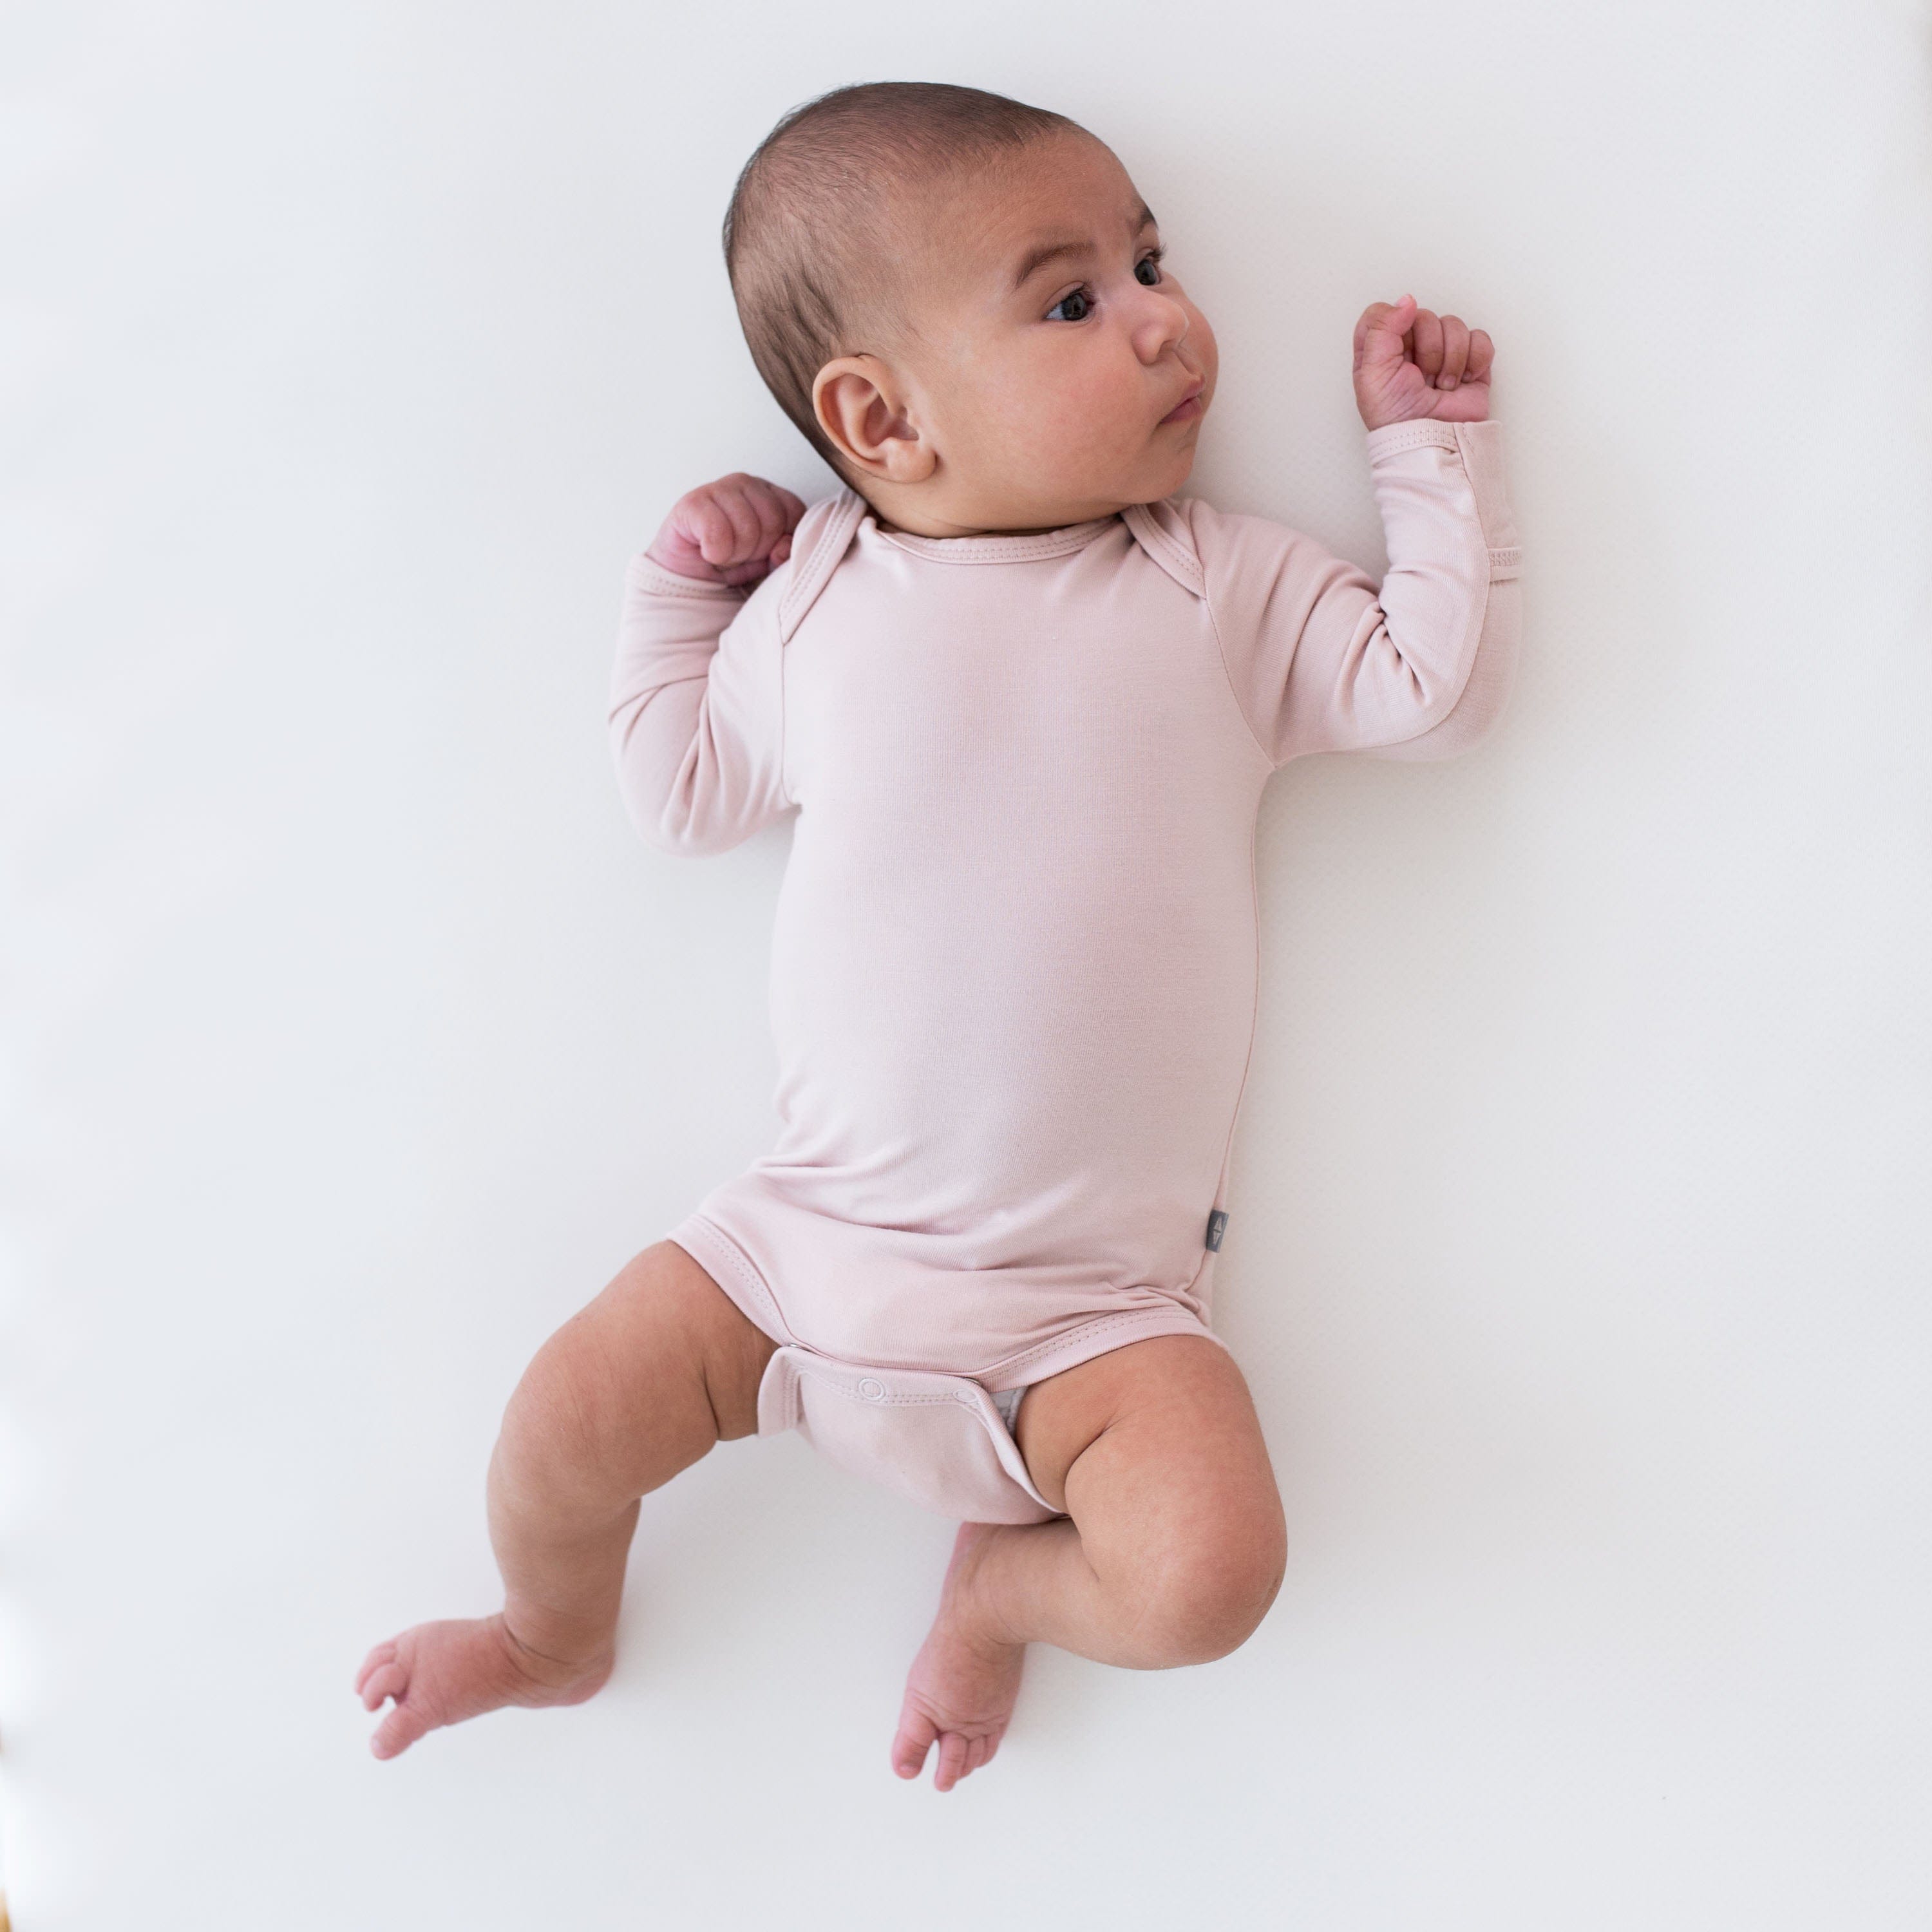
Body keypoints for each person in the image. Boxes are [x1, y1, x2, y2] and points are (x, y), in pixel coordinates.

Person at [356, 79, 1522, 1793]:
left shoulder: (1216, 585)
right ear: (881, 421)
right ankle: (549, 1632)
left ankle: (1003, 1598)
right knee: (553, 1434)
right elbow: (677, 786)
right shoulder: (820, 600)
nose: (1159, 321)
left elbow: (1433, 692)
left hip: (1087, 1326)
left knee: (1212, 1578)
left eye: (1148, 261)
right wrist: (682, 592)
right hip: (790, 1257)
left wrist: (1428, 455)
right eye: (1073, 300)